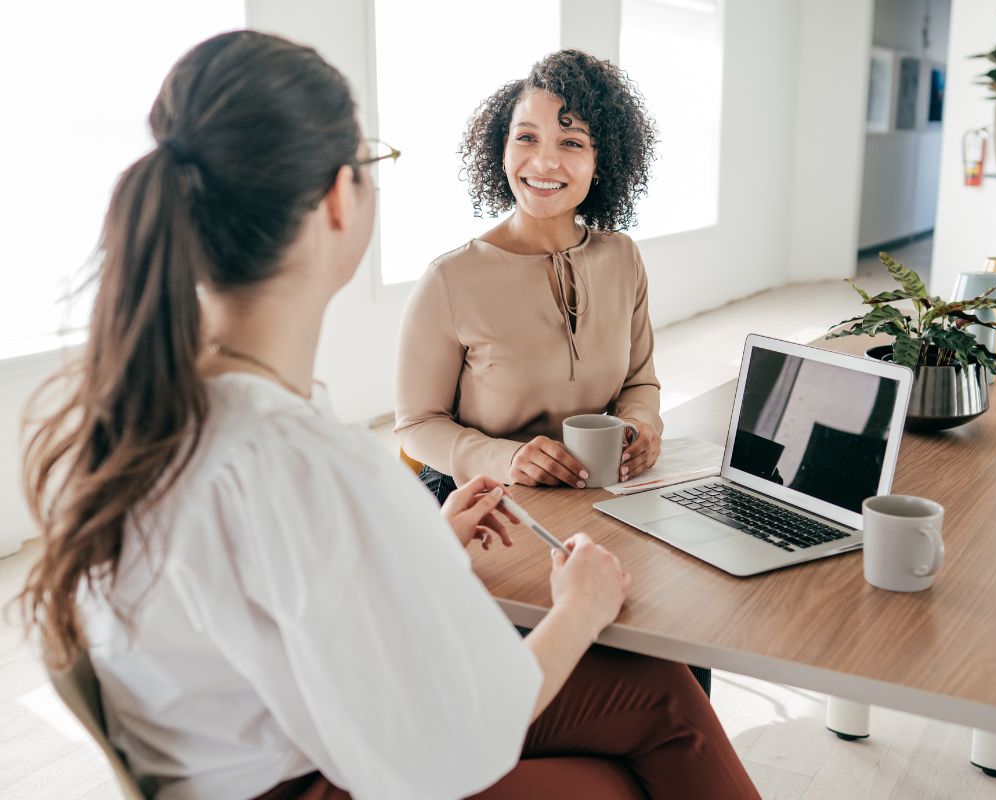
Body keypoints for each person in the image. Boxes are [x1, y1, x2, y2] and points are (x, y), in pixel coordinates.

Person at [19, 31, 758, 799]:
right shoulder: (307, 458)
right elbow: (456, 740)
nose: (544, 160)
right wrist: (581, 607)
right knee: (649, 737)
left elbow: (283, 596)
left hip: (275, 749)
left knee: (660, 698)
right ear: (342, 197)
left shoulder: (147, 412)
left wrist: (425, 549)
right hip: (325, 775)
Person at [395, 50, 664, 504]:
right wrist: (506, 458)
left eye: (571, 143)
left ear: (602, 163)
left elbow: (639, 381)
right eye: (526, 138)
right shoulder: (450, 279)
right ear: (502, 150)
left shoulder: (622, 258)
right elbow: (417, 426)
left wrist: (642, 426)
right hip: (478, 500)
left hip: (589, 492)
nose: (543, 163)